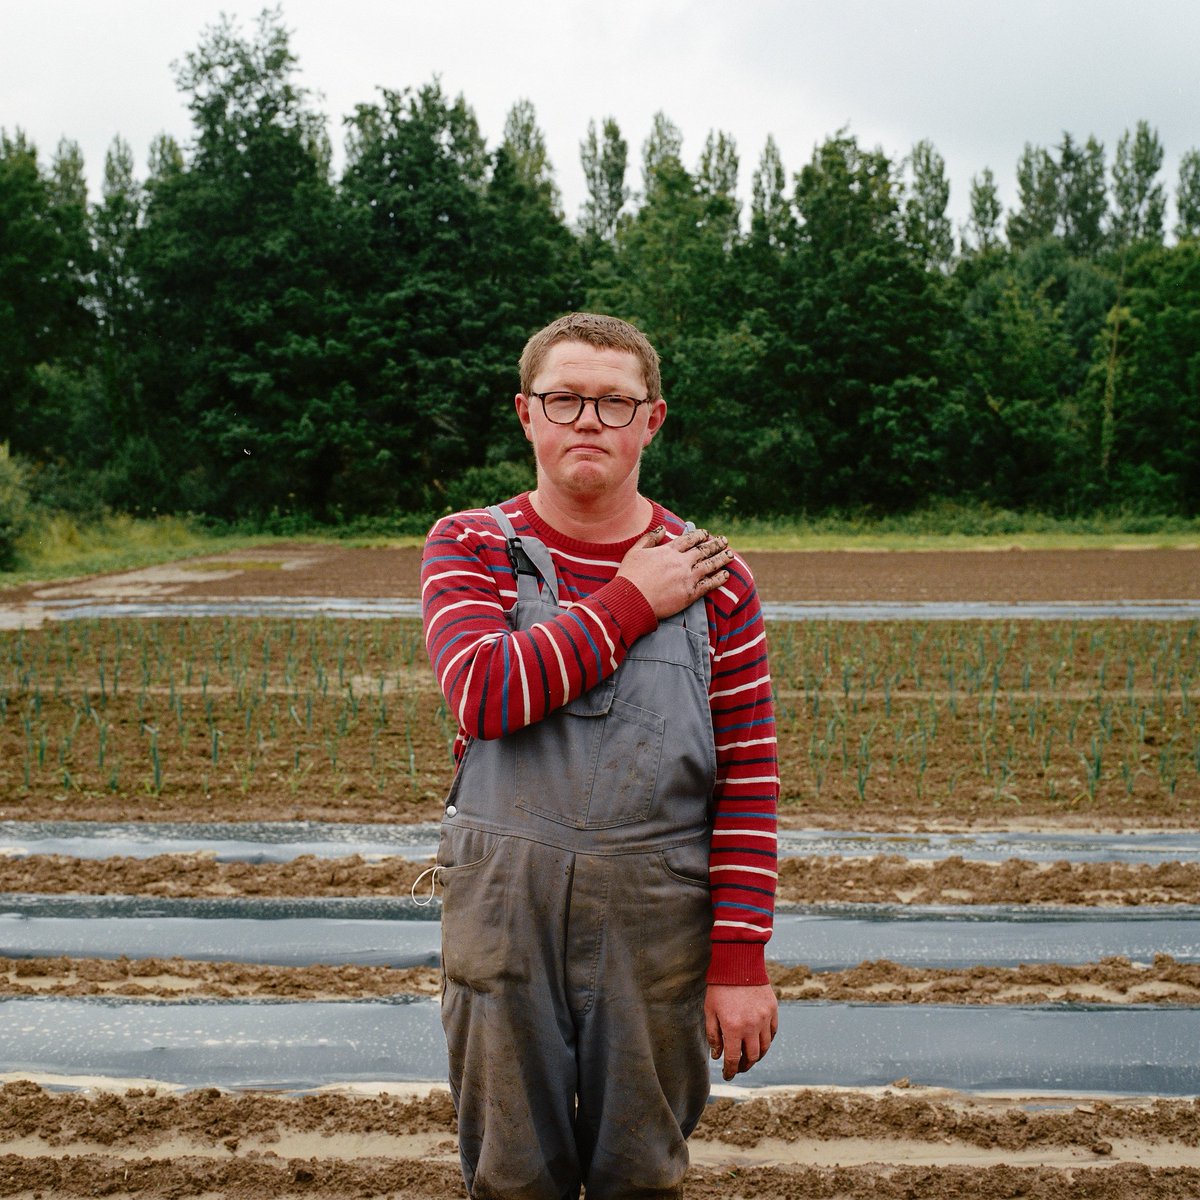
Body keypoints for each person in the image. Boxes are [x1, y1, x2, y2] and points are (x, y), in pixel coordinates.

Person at [420, 312, 778, 1199]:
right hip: (505, 905)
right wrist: (629, 599)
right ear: (526, 414)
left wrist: (740, 961)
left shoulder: (715, 578)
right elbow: (486, 693)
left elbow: (748, 782)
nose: (589, 421)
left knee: (641, 1172)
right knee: (510, 1174)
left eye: (615, 403)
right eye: (565, 398)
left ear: (651, 421)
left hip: (656, 915)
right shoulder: (471, 547)